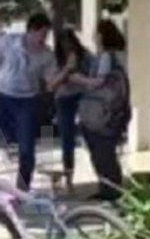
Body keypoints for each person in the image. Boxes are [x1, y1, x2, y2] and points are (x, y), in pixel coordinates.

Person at [0, 12, 56, 191]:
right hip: (3, 96)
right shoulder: (8, 42)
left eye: (46, 35)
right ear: (31, 30)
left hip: (27, 101)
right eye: (41, 34)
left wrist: (66, 72)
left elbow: (50, 82)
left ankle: (22, 188)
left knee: (26, 147)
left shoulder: (46, 55)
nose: (43, 39)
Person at [71, 20, 129, 201]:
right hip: (115, 111)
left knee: (102, 152)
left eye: (97, 33)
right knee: (107, 152)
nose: (95, 37)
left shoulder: (106, 57)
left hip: (103, 112)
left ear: (103, 36)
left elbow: (98, 82)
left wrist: (77, 79)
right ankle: (110, 188)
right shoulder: (119, 55)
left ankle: (110, 189)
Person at [51, 28, 94, 195]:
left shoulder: (86, 56)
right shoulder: (56, 60)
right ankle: (69, 178)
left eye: (70, 43)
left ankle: (101, 173)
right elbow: (51, 84)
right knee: (67, 140)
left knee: (91, 134)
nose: (68, 47)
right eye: (63, 44)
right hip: (64, 100)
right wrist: (67, 69)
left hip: (83, 97)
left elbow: (93, 76)